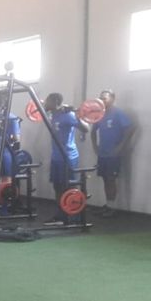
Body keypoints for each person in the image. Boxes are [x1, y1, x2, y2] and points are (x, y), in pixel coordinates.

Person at [43, 93, 89, 226]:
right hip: (56, 156)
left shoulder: (69, 115)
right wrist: (64, 106)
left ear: (56, 101)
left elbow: (85, 129)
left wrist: (77, 116)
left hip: (68, 156)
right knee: (57, 186)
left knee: (69, 186)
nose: (46, 103)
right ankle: (61, 215)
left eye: (48, 101)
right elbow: (41, 109)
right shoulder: (53, 114)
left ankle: (74, 216)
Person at [90, 90, 134, 218]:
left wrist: (121, 146)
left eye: (105, 98)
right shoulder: (99, 114)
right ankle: (108, 205)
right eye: (101, 98)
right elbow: (93, 131)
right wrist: (95, 146)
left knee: (111, 179)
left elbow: (130, 129)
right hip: (102, 154)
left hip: (113, 155)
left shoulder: (118, 113)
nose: (102, 100)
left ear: (112, 99)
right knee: (105, 179)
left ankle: (112, 207)